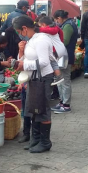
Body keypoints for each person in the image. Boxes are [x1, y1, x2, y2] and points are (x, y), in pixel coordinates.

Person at [13, 15, 54, 153]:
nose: (20, 34)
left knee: (42, 110)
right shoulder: (31, 40)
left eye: (19, 31)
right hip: (34, 79)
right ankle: (35, 139)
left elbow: (44, 62)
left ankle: (45, 142)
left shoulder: (41, 39)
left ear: (24, 28)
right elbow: (24, 59)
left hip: (43, 79)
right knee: (34, 109)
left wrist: (24, 64)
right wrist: (20, 51)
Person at [51, 11, 78, 113]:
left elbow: (64, 41)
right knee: (60, 80)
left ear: (60, 18)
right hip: (63, 55)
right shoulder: (67, 24)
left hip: (65, 56)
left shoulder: (68, 26)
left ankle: (66, 104)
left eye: (56, 19)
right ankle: (62, 102)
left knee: (65, 80)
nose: (56, 22)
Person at [37, 16, 66, 85]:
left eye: (40, 26)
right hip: (61, 48)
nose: (40, 27)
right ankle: (57, 76)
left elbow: (50, 31)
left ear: (43, 24)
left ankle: (58, 76)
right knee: (54, 62)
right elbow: (61, 37)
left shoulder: (52, 29)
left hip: (56, 50)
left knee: (53, 62)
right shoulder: (57, 28)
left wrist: (37, 30)